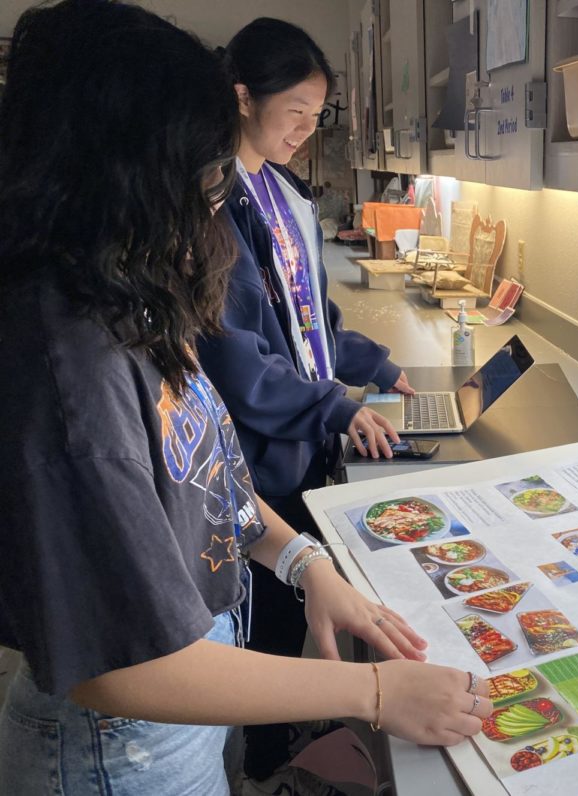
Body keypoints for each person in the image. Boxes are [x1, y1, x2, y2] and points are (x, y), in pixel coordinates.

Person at [0, 3, 490, 795]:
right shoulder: (67, 367)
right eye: (202, 177)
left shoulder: (132, 299)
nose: (214, 204)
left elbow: (210, 475)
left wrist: (303, 561)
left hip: (187, 705)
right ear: (121, 168)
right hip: (118, 749)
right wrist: (371, 693)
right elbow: (123, 669)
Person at [195, 18, 418, 778]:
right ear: (243, 98)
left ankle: (294, 730)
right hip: (262, 457)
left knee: (300, 602)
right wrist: (334, 408)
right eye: (295, 112)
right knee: (270, 610)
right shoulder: (217, 207)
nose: (305, 130)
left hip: (298, 442)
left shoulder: (279, 192)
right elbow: (241, 365)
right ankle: (267, 756)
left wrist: (375, 369)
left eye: (316, 116)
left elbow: (308, 324)